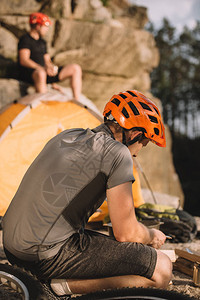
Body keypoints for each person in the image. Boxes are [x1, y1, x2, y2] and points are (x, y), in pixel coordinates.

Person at [2, 90, 172, 297]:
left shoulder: (68, 135)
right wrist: (152, 235)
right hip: (43, 255)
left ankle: (56, 277)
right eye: (144, 143)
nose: (139, 150)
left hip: (11, 247)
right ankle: (62, 286)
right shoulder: (118, 153)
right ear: (135, 134)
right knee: (162, 269)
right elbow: (126, 233)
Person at [18, 12, 82, 100]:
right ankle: (43, 102)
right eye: (45, 26)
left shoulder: (42, 42)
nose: (47, 29)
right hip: (32, 73)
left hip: (44, 72)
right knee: (41, 74)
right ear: (37, 26)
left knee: (75, 68)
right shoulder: (25, 39)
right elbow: (24, 60)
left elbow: (47, 60)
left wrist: (50, 68)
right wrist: (41, 68)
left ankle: (77, 100)